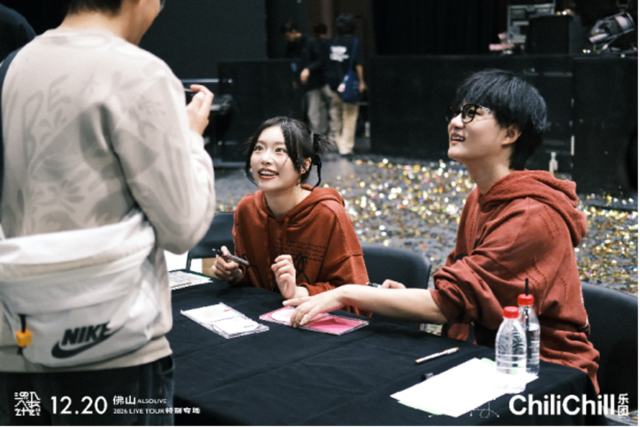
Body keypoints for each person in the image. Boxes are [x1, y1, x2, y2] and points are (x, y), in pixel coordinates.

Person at [285, 69, 600, 392]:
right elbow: (460, 292)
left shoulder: (530, 214)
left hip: (546, 373)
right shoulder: (480, 198)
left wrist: (345, 293)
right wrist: (400, 298)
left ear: (511, 133)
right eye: (456, 113)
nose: (456, 123)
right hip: (485, 354)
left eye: (471, 113)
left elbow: (447, 304)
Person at [0, 0, 216, 425]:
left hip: (16, 341)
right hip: (113, 349)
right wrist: (191, 138)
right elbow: (183, 226)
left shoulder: (9, 69)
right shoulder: (140, 73)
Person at [211, 116, 369, 316]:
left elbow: (358, 301)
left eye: (280, 150)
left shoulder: (329, 215)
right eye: (259, 148)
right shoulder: (247, 209)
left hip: (313, 326)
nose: (265, 159)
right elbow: (252, 281)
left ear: (304, 165)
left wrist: (298, 292)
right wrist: (236, 274)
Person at [322, 13, 366, 156]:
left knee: (336, 113)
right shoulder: (355, 43)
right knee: (350, 114)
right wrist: (361, 81)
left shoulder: (330, 42)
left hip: (333, 83)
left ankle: (339, 141)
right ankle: (346, 147)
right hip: (349, 85)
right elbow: (358, 64)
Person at [281, 21, 327, 134]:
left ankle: (316, 138)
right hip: (299, 84)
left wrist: (308, 69)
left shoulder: (310, 41)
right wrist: (293, 78)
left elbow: (320, 60)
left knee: (313, 113)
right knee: (300, 112)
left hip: (313, 83)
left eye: (287, 35)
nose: (287, 38)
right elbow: (288, 63)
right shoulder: (291, 46)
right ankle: (303, 137)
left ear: (293, 31)